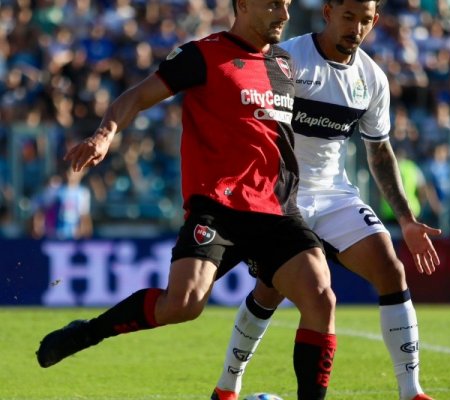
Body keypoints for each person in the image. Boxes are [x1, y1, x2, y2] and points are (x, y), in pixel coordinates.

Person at [35, 0, 339, 398]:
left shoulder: (284, 64)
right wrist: (105, 133)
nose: (284, 14)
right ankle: (89, 332)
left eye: (286, 5)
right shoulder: (202, 54)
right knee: (183, 305)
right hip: (218, 208)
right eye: (273, 5)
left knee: (321, 298)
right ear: (244, 6)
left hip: (276, 211)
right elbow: (139, 96)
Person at [210, 1, 442, 399]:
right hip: (278, 196)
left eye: (365, 21)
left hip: (334, 195)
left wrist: (405, 219)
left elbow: (379, 151)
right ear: (329, 12)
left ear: (375, 21)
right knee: (270, 290)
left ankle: (412, 391)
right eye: (349, 18)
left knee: (391, 270)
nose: (356, 28)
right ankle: (228, 386)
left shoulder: (372, 78)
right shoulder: (287, 59)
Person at [30, 168, 93, 240]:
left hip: (72, 235)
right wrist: (38, 227)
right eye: (68, 170)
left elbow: (84, 215)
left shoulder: (83, 192)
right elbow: (42, 210)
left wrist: (86, 232)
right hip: (53, 234)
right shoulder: (55, 189)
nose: (70, 173)